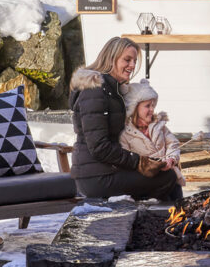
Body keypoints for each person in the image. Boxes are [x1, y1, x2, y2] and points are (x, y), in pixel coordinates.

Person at [68, 37, 180, 201]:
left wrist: (150, 158)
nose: (132, 65)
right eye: (127, 60)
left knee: (166, 174)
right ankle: (166, 221)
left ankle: (164, 219)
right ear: (111, 58)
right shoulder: (95, 91)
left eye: (134, 61)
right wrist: (139, 162)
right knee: (168, 178)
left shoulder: (112, 90)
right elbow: (99, 147)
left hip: (106, 169)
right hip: (95, 176)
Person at [118, 78, 186, 189]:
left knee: (176, 204)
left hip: (171, 178)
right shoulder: (125, 134)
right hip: (146, 183)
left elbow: (173, 143)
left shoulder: (158, 124)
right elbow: (126, 163)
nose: (152, 109)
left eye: (153, 105)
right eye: (147, 106)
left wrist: (171, 159)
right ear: (134, 108)